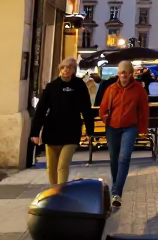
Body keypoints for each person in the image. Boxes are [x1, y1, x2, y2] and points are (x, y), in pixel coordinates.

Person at [30, 57, 94, 186]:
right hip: (52, 131)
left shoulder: (79, 85)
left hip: (71, 131)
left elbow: (86, 108)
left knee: (62, 165)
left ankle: (61, 192)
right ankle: (54, 193)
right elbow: (41, 110)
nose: (66, 70)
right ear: (60, 69)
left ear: (73, 70)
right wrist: (35, 132)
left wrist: (90, 129)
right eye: (63, 67)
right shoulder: (52, 87)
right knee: (52, 168)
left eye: (69, 67)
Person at [99, 61, 149, 209]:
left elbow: (144, 110)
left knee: (124, 158)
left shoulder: (138, 89)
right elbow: (102, 108)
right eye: (122, 72)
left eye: (127, 72)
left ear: (131, 74)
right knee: (114, 158)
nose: (124, 75)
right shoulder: (111, 89)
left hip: (130, 127)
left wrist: (142, 129)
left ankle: (117, 193)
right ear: (118, 74)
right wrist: (105, 118)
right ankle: (116, 186)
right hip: (112, 127)